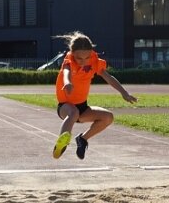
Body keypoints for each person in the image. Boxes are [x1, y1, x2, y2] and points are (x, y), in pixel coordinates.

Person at [52, 32, 137, 160]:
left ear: (90, 53)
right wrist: (68, 83)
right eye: (79, 58)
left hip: (83, 107)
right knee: (73, 113)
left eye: (86, 58)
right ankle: (62, 142)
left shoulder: (94, 61)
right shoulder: (68, 61)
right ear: (72, 53)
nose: (83, 62)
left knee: (108, 117)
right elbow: (66, 72)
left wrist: (124, 93)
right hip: (65, 106)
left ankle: (82, 139)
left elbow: (108, 77)